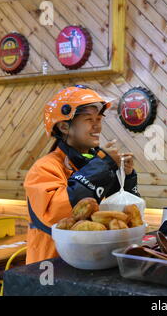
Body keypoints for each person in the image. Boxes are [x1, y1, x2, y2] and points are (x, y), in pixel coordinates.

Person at [24, 85, 140, 264]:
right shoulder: (44, 167)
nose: (97, 126)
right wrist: (102, 166)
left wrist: (127, 177)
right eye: (88, 119)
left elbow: (117, 212)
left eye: (99, 119)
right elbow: (56, 216)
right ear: (64, 126)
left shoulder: (93, 162)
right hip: (51, 267)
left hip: (93, 261)